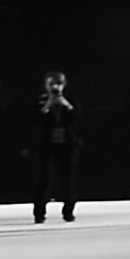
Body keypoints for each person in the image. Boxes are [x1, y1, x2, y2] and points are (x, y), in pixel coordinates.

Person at [32, 71, 83, 223]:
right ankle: (39, 213)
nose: (55, 87)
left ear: (64, 85)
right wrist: (48, 104)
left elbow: (78, 117)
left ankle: (68, 211)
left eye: (58, 84)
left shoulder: (71, 99)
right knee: (43, 177)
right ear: (46, 86)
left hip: (68, 143)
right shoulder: (40, 100)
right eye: (51, 84)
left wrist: (65, 103)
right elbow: (36, 120)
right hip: (46, 143)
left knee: (68, 178)